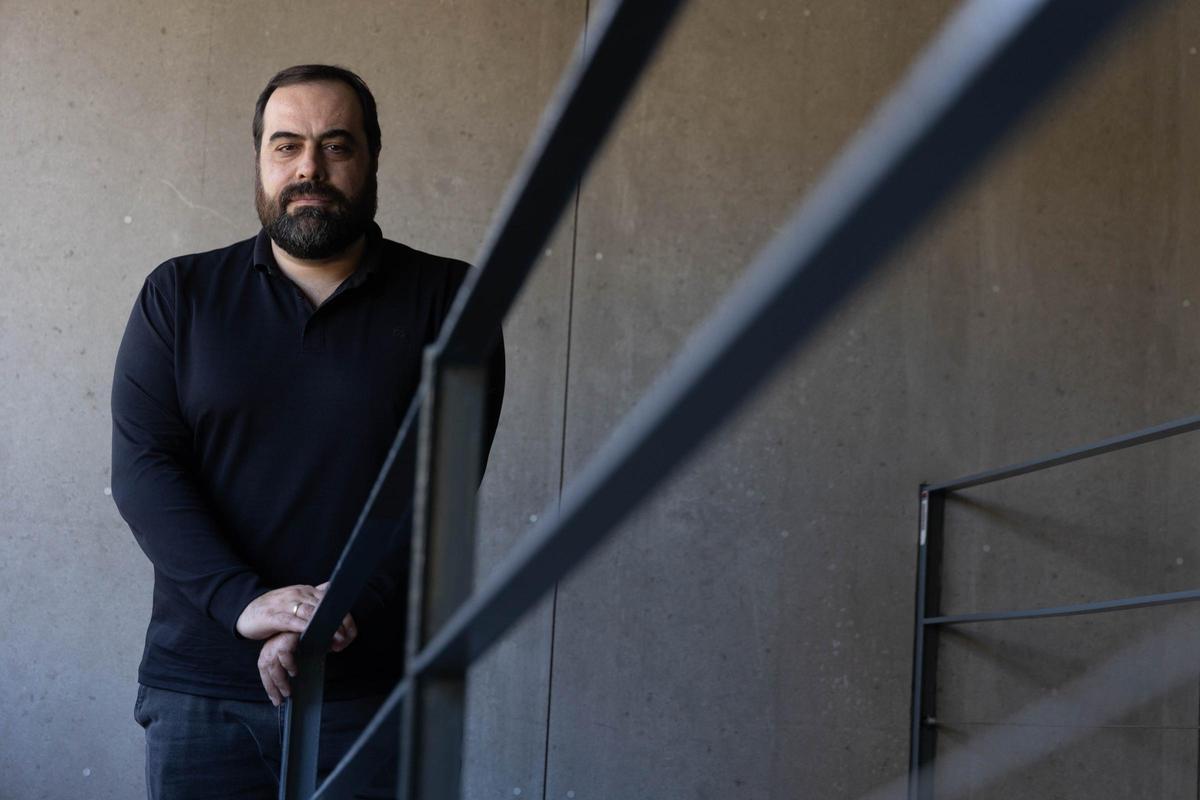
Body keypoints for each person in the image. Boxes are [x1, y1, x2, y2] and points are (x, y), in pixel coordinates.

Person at [110, 64, 504, 799]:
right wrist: (247, 607)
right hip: (202, 690)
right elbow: (144, 471)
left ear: (373, 156)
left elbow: (440, 490)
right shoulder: (180, 294)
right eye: (286, 145)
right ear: (259, 157)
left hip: (369, 690)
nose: (309, 169)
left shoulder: (451, 301)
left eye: (336, 146)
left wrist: (326, 616)